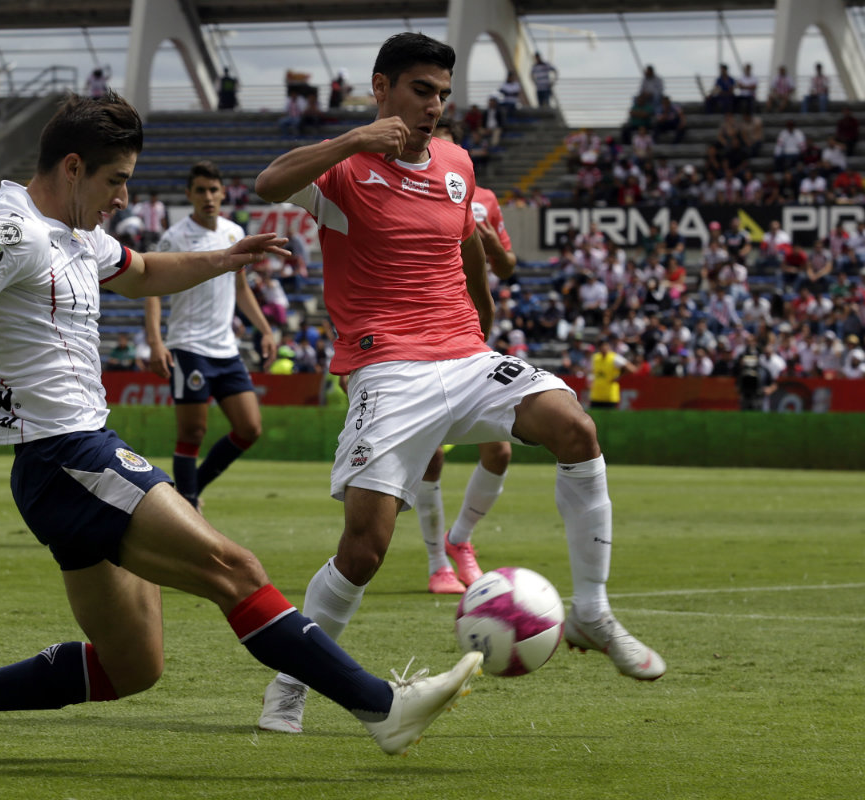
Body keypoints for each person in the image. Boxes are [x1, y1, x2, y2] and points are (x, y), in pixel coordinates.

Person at [0, 91, 480, 766]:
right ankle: (384, 708)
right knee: (235, 568)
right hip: (66, 457)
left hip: (63, 468)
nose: (122, 197)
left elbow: (143, 273)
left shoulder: (77, 232)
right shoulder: (15, 231)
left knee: (133, 665)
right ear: (75, 167)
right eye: (116, 182)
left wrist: (229, 259)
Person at [252, 32, 666, 738]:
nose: (435, 106)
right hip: (387, 369)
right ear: (382, 88)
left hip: (466, 356)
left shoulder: (457, 163)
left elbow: (464, 238)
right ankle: (291, 681)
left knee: (576, 426)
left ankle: (592, 612)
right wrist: (355, 137)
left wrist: (485, 316)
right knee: (364, 550)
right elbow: (267, 185)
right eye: (421, 90)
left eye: (443, 93)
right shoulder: (348, 171)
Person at [144, 160, 277, 509]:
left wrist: (265, 330)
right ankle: (187, 505)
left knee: (249, 428)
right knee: (193, 432)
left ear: (223, 193)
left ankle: (187, 494)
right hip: (188, 346)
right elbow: (152, 289)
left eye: (213, 190)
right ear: (189, 194)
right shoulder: (175, 237)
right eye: (200, 190)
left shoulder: (234, 234)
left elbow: (240, 287)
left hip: (226, 350)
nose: (208, 197)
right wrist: (156, 341)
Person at [411, 174, 518, 595]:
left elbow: (507, 268)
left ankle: (460, 539)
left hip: (472, 335)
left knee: (500, 448)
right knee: (432, 455)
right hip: (423, 333)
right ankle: (438, 564)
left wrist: (491, 243)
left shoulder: (484, 199)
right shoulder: (404, 189)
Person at [589, 336, 629, 409]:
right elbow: (591, 372)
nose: (603, 347)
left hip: (610, 396)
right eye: (601, 345)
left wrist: (618, 377)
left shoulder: (615, 358)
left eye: (605, 345)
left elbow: (630, 368)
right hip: (596, 395)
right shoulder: (595, 357)